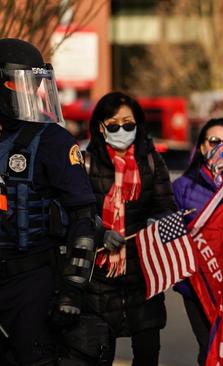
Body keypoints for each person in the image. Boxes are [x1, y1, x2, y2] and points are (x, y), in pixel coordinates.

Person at [0, 38, 98, 365]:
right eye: (19, 84)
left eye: (34, 85)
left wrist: (72, 289)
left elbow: (84, 218)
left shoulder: (52, 141)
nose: (29, 93)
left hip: (32, 280)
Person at [84, 91, 177, 365]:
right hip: (99, 279)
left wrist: (157, 222)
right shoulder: (85, 162)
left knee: (147, 355)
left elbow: (165, 205)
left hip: (143, 276)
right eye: (113, 125)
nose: (122, 130)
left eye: (128, 123)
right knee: (99, 355)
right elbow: (77, 215)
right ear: (100, 127)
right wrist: (101, 233)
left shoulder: (151, 160)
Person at [172, 117, 223, 365]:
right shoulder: (183, 187)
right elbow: (173, 237)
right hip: (198, 285)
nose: (221, 147)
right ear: (202, 147)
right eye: (214, 141)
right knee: (209, 348)